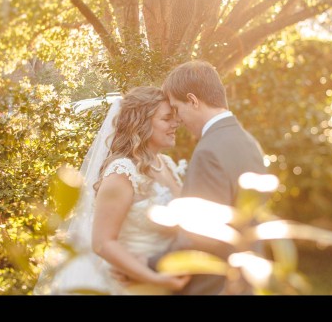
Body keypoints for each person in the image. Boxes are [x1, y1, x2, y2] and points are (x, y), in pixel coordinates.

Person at [33, 86, 190, 295]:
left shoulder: (167, 164)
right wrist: (156, 279)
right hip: (133, 283)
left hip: (169, 273)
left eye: (175, 117)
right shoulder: (122, 173)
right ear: (142, 124)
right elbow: (103, 243)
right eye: (166, 119)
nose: (175, 124)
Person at [147, 60, 268, 295]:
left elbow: (199, 235)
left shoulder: (209, 151)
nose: (178, 119)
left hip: (213, 286)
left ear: (193, 100)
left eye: (178, 108)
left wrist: (149, 263)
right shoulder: (249, 143)